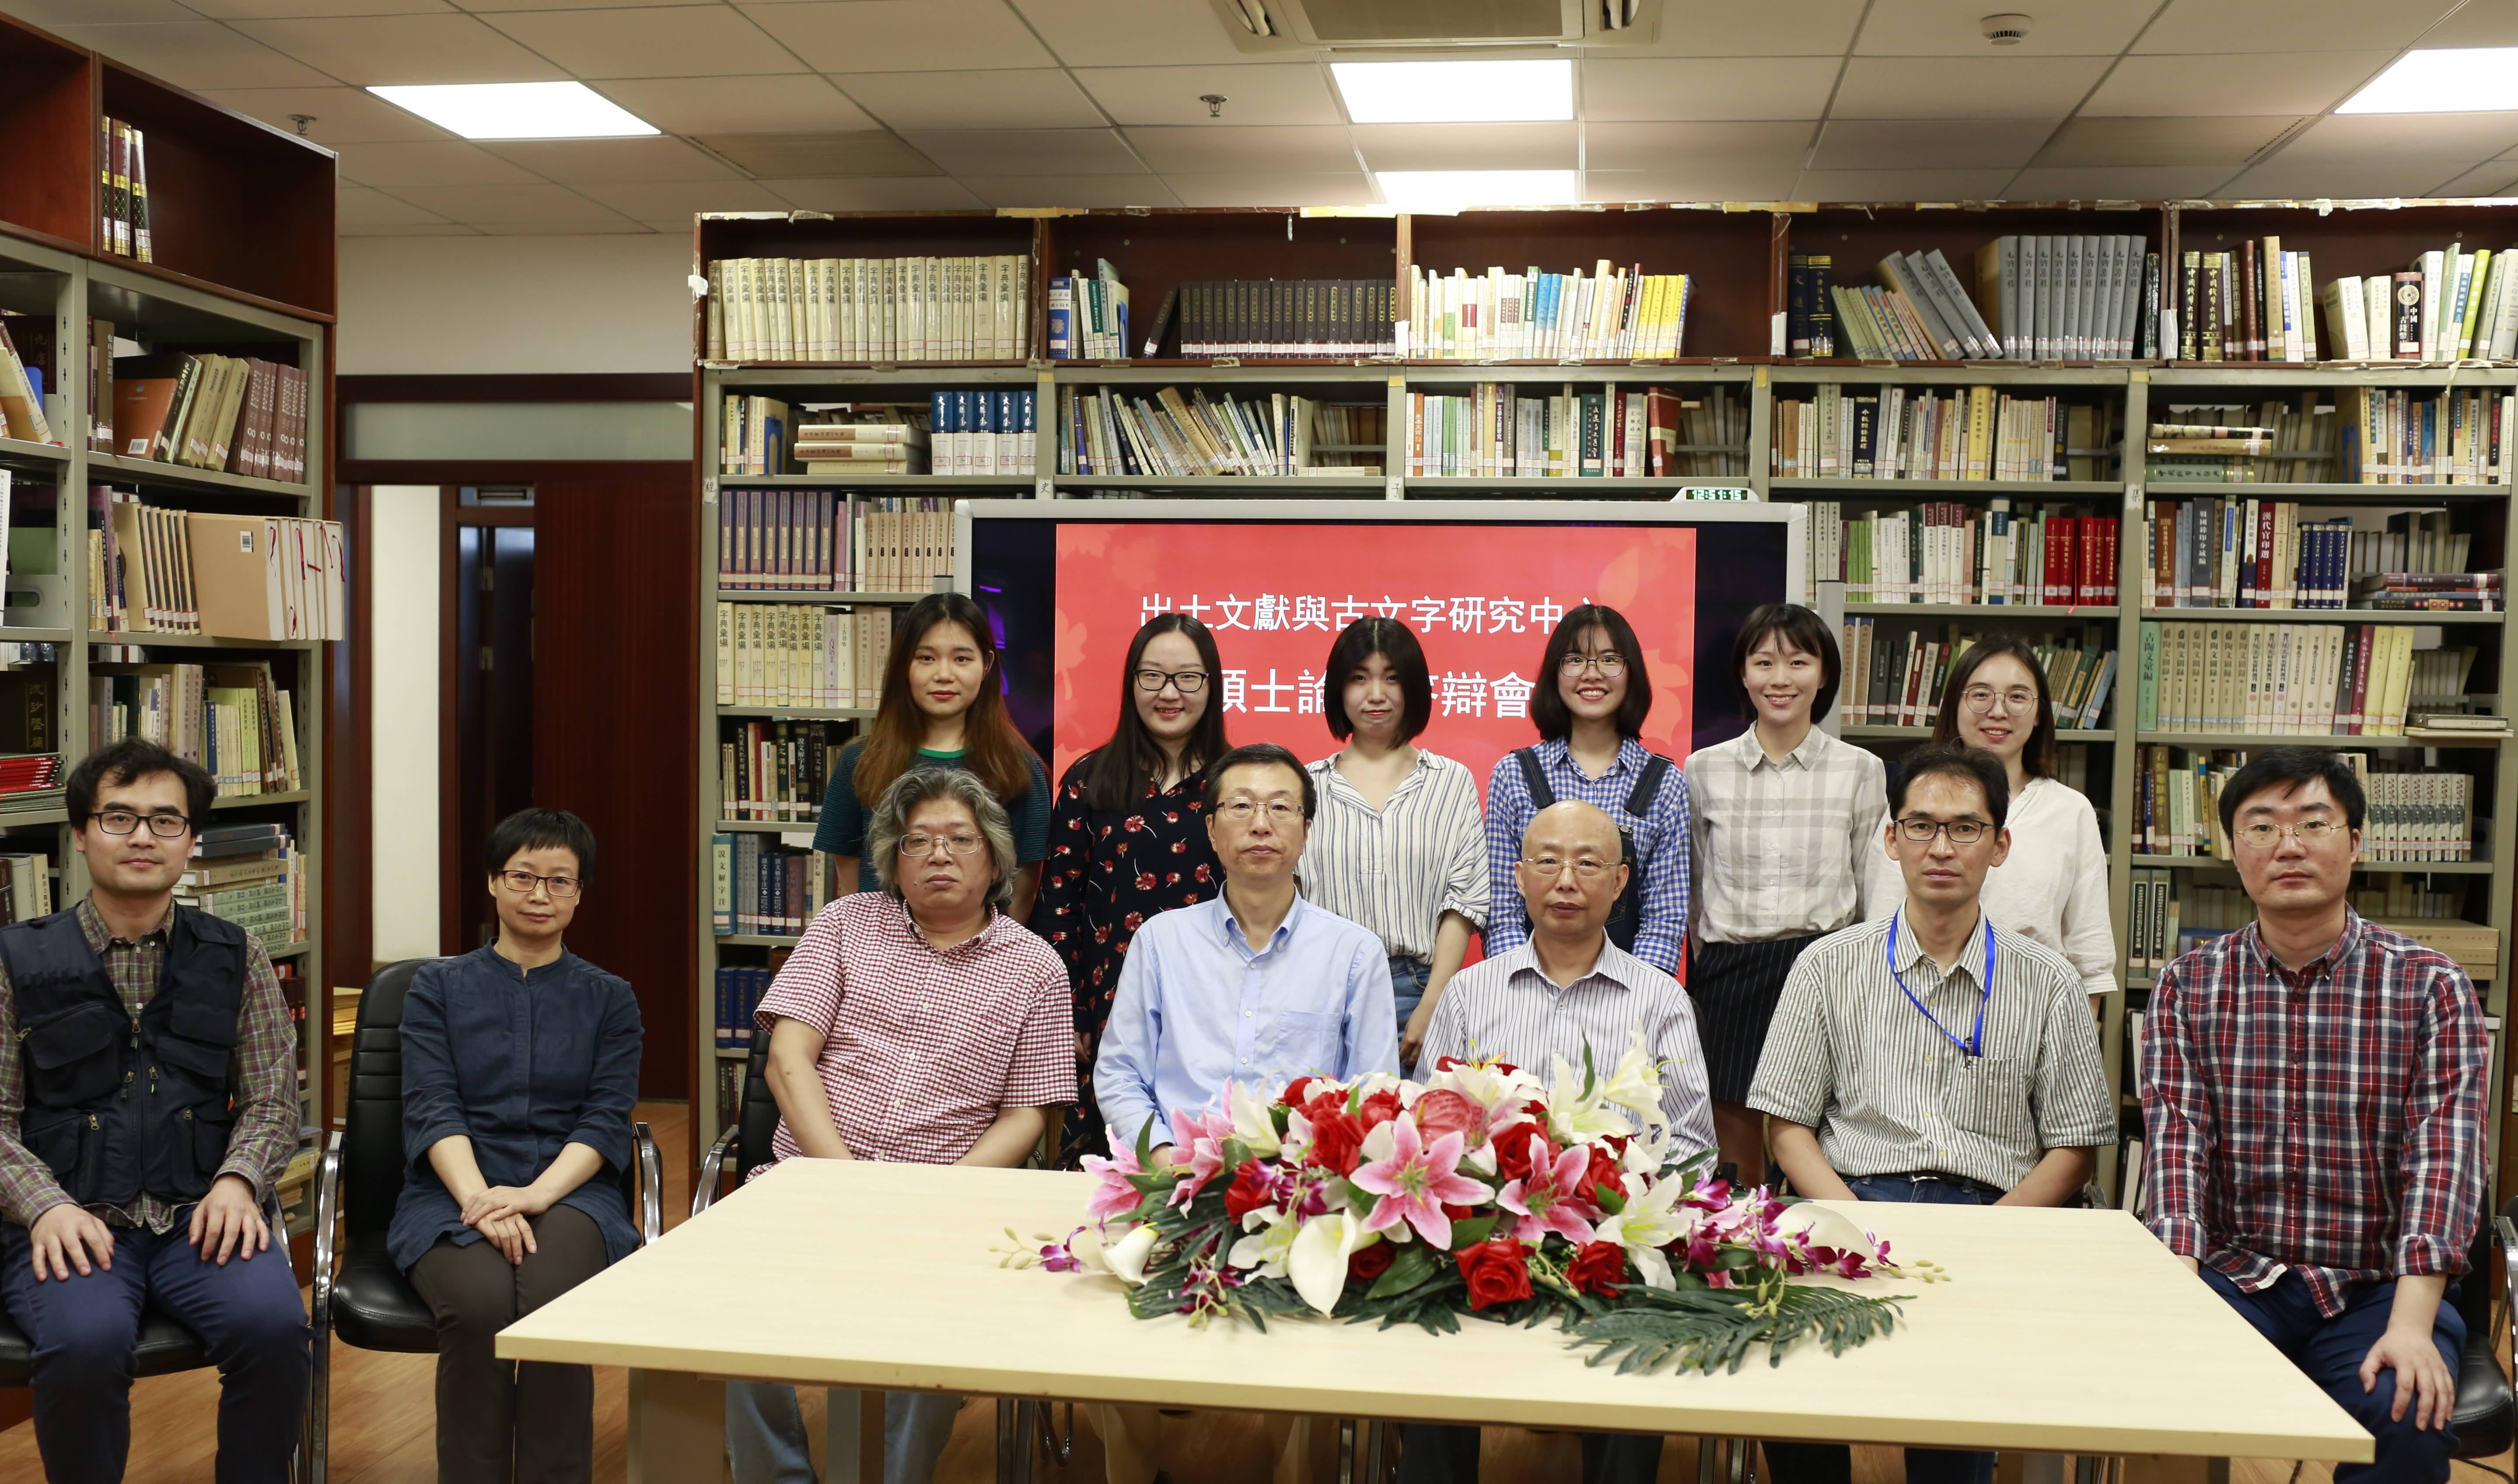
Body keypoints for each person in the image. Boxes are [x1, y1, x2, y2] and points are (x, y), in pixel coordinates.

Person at [1749, 744, 2114, 1484]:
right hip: (1849, 1201)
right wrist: (1854, 1225)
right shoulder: (1827, 964)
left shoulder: (2049, 981)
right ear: (1892, 839)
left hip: (1993, 1213)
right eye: (1921, 826)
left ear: (2000, 845)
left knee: (1957, 1402)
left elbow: (2075, 1146)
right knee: (1792, 1378)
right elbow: (1787, 1124)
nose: (1941, 847)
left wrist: (1990, 1234)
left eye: (1965, 828)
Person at [2141, 748, 2486, 1484]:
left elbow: (2444, 1162)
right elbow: (2177, 1146)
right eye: (2262, 826)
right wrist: (2175, 1296)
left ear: (2355, 842)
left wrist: (2411, 1326)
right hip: (2236, 1274)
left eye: (2313, 823)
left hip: (2377, 1285)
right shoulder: (2186, 986)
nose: (2288, 845)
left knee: (2406, 1409)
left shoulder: (2431, 986)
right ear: (2234, 849)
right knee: (2149, 1380)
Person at [728, 768, 1073, 1484]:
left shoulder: (1037, 968)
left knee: (936, 1330)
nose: (940, 854)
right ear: (893, 856)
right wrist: (844, 1179)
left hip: (945, 1202)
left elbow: (1027, 1113)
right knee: (730, 1304)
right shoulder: (844, 925)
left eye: (960, 839)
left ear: (995, 859)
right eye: (919, 840)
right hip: (812, 1182)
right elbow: (788, 1058)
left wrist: (934, 1197)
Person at [0, 739, 309, 1484]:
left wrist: (239, 1181)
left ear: (190, 839)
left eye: (166, 820)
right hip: (71, 1220)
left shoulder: (238, 955)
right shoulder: (13, 961)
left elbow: (272, 1098)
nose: (143, 836)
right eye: (119, 817)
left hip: (198, 1214)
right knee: (85, 1345)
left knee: (275, 1329)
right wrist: (44, 1207)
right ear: (81, 833)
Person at [1093, 741, 1398, 1484]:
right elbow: (1120, 1072)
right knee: (1108, 1348)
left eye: (1281, 807)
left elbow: (1375, 1093)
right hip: (1170, 1189)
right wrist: (1166, 1160)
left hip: (1301, 1202)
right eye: (1241, 806)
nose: (1261, 823)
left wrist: (1306, 1180)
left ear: (1307, 828)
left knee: (1312, 1359)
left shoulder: (1354, 952)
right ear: (1211, 828)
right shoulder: (1161, 941)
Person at [1402, 798, 1715, 1479]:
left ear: (1620, 881)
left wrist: (1623, 1219)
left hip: (1612, 1239)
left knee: (1642, 1337)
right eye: (1547, 861)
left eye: (1588, 863)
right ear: (1518, 875)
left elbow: (1692, 1144)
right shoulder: (1469, 992)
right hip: (1484, 1233)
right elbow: (1429, 1126)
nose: (1566, 880)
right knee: (1424, 1331)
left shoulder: (1660, 999)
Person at [394, 807, 642, 1484]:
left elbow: (604, 1118)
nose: (540, 894)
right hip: (451, 1191)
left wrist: (534, 1194)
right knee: (478, 1306)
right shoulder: (436, 988)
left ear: (580, 893)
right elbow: (432, 1104)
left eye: (560, 880)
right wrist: (481, 1198)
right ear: (493, 882)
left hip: (572, 1192)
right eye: (523, 876)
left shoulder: (611, 999)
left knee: (556, 1304)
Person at [1686, 603, 1894, 1182]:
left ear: (1824, 674)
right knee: (1736, 1163)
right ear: (1744, 673)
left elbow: (1874, 886)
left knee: (1814, 1149)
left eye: (1799, 662)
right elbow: (1695, 887)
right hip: (1731, 973)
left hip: (1825, 967)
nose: (1781, 678)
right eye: (1764, 662)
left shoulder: (1861, 769)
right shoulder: (1704, 769)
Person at [1032, 613, 1230, 1168]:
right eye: (1153, 676)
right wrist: (1071, 1013)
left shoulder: (1236, 782)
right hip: (1108, 1005)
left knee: (1205, 1158)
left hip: (1211, 1003)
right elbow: (1059, 905)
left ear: (1211, 685)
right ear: (1131, 683)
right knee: (1108, 1165)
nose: (1169, 693)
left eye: (1187, 677)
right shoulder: (1090, 778)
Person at [1877, 635, 2117, 1012]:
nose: (1998, 711)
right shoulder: (1913, 805)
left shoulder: (2072, 811)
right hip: (1919, 1008)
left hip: (2033, 1012)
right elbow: (1881, 932)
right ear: (1955, 704)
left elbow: (2091, 961)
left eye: (2018, 697)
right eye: (1980, 695)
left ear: (2039, 714)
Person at [1301, 617, 1489, 1070]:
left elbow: (1464, 902)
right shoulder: (1304, 786)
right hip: (1323, 990)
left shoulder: (1450, 781)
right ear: (1338, 689)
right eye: (1359, 678)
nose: (1376, 694)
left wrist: (1433, 1003)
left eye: (1392, 678)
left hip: (1418, 989)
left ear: (1414, 688)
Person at [814, 592, 1053, 921]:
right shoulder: (861, 759)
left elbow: (1024, 886)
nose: (944, 674)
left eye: (962, 659)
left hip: (981, 947)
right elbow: (848, 865)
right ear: (904, 665)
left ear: (986, 665)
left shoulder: (1019, 767)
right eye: (926, 658)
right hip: (882, 943)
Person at [1483, 604, 1689, 980]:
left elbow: (1664, 919)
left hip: (1629, 995)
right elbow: (1503, 912)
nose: (1592, 674)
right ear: (1555, 673)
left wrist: (1636, 997)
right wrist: (1520, 990)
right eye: (1575, 659)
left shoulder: (1665, 783)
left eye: (1609, 659)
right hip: (1528, 991)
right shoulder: (1514, 775)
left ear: (1632, 674)